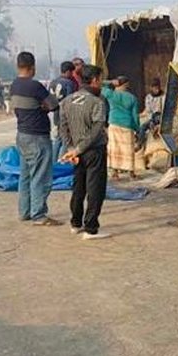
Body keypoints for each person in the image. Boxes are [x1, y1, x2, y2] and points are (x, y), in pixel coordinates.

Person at [60, 65, 111, 240]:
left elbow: (63, 128)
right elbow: (97, 129)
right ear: (95, 79)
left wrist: (71, 150)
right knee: (95, 189)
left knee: (78, 188)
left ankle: (75, 223)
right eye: (100, 79)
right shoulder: (98, 102)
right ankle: (91, 228)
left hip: (75, 153)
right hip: (93, 151)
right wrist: (80, 149)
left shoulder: (67, 101)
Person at [11, 52, 62, 226]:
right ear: (32, 67)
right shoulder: (35, 86)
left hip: (22, 135)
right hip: (38, 136)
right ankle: (39, 214)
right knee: (41, 176)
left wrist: (40, 107)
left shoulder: (14, 85)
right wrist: (43, 107)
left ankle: (24, 211)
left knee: (25, 176)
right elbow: (54, 105)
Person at [102, 76, 140, 179]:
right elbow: (135, 116)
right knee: (128, 149)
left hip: (114, 123)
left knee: (114, 149)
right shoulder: (132, 98)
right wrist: (137, 129)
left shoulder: (112, 94)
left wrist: (110, 82)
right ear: (127, 85)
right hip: (127, 125)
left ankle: (115, 173)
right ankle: (131, 173)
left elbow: (100, 85)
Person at [49, 61, 78, 160]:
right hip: (66, 115)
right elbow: (71, 100)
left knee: (57, 139)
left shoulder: (52, 82)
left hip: (56, 114)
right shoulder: (69, 83)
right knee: (66, 140)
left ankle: (53, 162)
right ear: (68, 71)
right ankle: (62, 160)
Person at [136, 79, 164, 150]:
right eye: (154, 88)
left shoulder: (163, 96)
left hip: (160, 116)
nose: (156, 90)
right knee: (143, 127)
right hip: (151, 117)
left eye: (157, 88)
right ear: (151, 88)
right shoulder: (148, 97)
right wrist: (140, 115)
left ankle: (154, 128)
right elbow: (148, 110)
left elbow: (164, 108)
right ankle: (139, 143)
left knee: (156, 117)